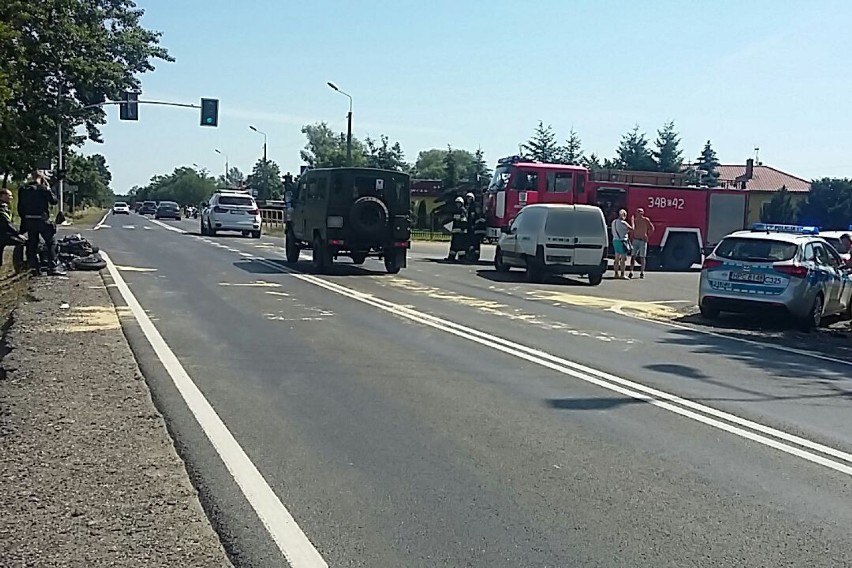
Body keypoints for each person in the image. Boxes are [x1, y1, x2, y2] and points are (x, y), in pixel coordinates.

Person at [18, 171, 64, 275]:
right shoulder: (43, 189)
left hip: (29, 220)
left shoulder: (23, 189)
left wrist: (24, 220)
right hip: (41, 220)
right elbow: (54, 201)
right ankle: (52, 267)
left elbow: (20, 207)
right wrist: (48, 188)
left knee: (32, 243)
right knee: (51, 242)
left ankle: (33, 267)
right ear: (42, 178)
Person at [0, 189, 26, 267]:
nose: (11, 197)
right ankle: (19, 264)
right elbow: (7, 224)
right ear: (2, 196)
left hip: (3, 234)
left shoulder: (5, 207)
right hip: (3, 235)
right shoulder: (1, 209)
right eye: (9, 195)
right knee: (22, 242)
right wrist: (18, 234)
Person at [629, 207, 655, 279]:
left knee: (642, 257)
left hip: (642, 240)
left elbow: (652, 228)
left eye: (641, 212)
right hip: (635, 240)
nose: (639, 214)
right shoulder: (635, 220)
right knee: (633, 256)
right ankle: (631, 271)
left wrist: (647, 234)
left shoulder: (646, 220)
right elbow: (632, 229)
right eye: (638, 212)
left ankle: (642, 272)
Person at [610, 208, 632, 280]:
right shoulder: (623, 223)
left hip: (615, 241)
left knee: (616, 259)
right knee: (623, 259)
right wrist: (632, 221)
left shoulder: (614, 222)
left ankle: (616, 273)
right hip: (622, 242)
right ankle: (622, 274)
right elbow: (632, 229)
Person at [446, 196, 468, 262]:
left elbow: (464, 221)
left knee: (460, 246)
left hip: (461, 232)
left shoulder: (462, 210)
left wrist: (463, 229)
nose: (457, 204)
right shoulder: (455, 211)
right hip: (455, 232)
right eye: (457, 203)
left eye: (459, 203)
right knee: (453, 245)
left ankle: (461, 258)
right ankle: (451, 257)